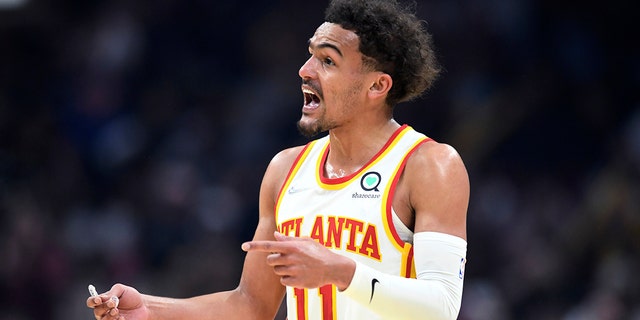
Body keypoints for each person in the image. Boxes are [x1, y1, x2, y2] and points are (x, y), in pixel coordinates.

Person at [87, 0, 469, 319]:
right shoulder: (285, 170)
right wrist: (150, 309)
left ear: (377, 86)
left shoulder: (428, 165)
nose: (305, 71)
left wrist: (340, 270)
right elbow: (251, 305)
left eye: (328, 61)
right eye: (310, 56)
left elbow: (443, 306)